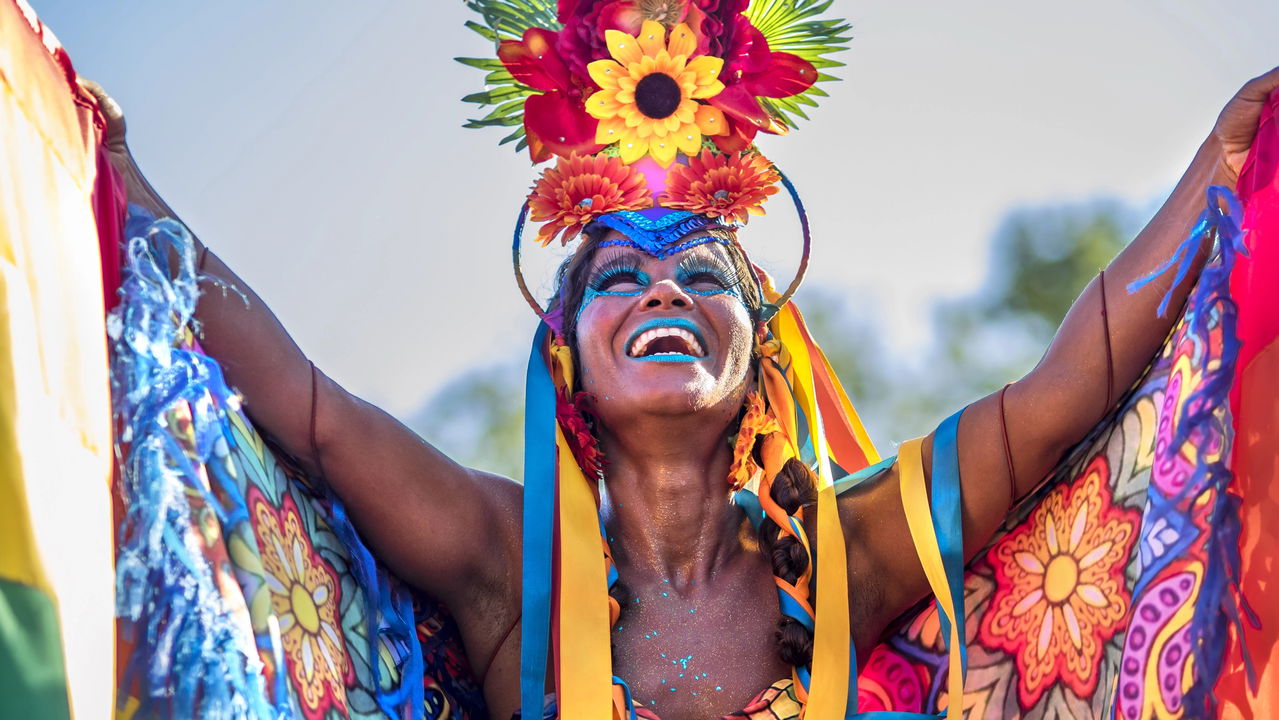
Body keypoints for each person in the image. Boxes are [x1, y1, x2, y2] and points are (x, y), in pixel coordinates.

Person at [88, 9, 1279, 719]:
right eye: (618, 277)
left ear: (762, 348)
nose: (664, 286)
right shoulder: (507, 566)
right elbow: (314, 414)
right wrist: (123, 186)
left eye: (705, 275)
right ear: (569, 356)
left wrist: (1219, 162)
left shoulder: (849, 556)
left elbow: (1062, 391)